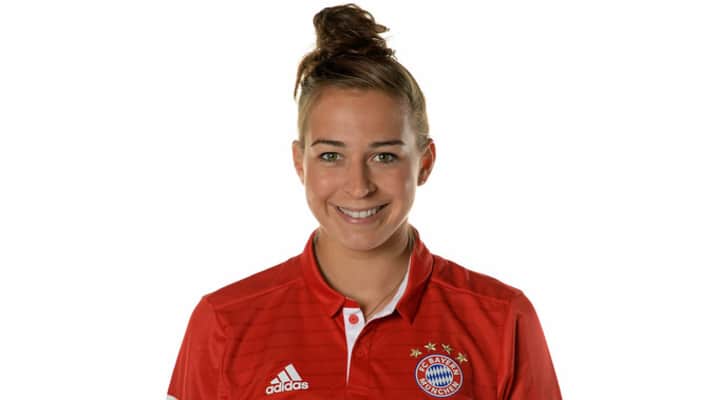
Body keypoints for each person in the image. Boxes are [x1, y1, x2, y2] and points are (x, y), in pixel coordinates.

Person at [166, 3, 561, 399]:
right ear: (300, 163)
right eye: (331, 155)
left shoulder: (501, 319)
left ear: (424, 163)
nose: (358, 187)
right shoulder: (225, 322)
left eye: (384, 156)